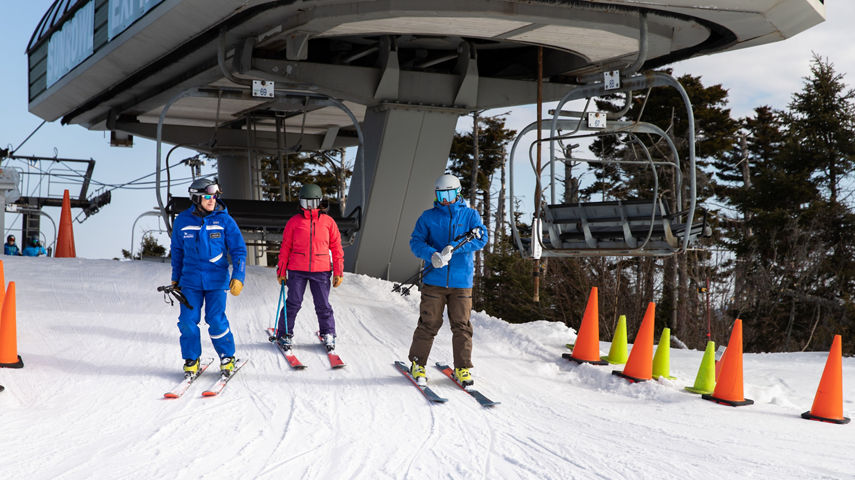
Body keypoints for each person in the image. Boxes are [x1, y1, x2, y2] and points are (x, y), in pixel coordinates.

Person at [407, 174, 488, 387]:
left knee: (462, 325)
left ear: (458, 192)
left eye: (450, 194)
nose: (445, 199)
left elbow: (481, 237)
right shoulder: (428, 217)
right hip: (434, 281)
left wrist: (456, 247)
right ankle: (417, 364)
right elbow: (416, 241)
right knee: (428, 323)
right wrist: (432, 254)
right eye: (441, 194)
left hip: (461, 283)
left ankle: (462, 369)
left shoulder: (470, 215)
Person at [170, 178, 247, 377]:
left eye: (213, 196)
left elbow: (239, 250)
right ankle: (191, 358)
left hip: (216, 280)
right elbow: (177, 252)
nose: (212, 200)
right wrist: (175, 279)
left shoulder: (224, 220)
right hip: (190, 282)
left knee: (215, 319)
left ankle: (227, 356)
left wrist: (238, 276)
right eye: (207, 196)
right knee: (187, 321)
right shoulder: (182, 221)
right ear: (196, 198)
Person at [274, 183, 344, 351]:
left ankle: (328, 332)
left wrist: (338, 271)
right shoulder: (294, 222)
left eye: (313, 202)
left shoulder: (328, 222)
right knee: (293, 303)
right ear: (300, 203)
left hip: (321, 270)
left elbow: (336, 248)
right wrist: (281, 271)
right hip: (297, 270)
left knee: (323, 304)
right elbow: (285, 248)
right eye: (306, 203)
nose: (310, 207)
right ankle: (284, 333)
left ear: (320, 202)